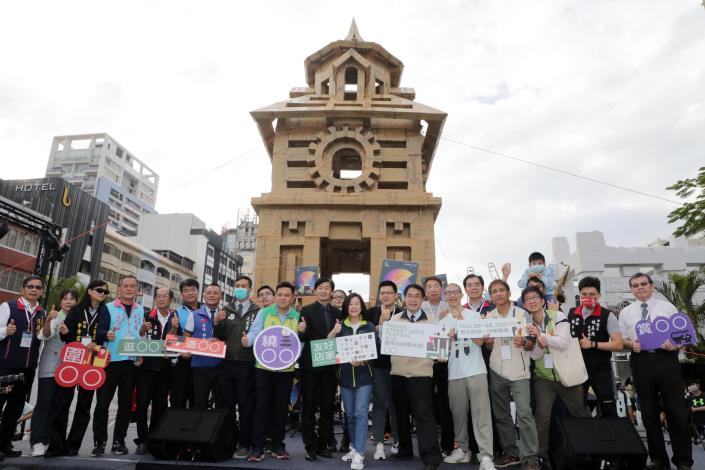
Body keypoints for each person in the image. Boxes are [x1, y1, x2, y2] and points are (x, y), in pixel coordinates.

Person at [620, 272, 693, 470]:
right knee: (649, 413)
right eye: (635, 285)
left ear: (652, 286)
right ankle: (659, 460)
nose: (640, 287)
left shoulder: (667, 307)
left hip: (666, 359)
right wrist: (630, 345)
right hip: (640, 361)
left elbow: (682, 335)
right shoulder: (626, 313)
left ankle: (683, 460)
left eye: (644, 284)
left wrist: (675, 345)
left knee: (676, 412)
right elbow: (623, 340)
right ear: (631, 289)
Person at [524, 286, 591, 467]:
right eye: (528, 299)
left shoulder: (558, 317)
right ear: (524, 304)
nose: (532, 301)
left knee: (579, 413)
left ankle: (591, 450)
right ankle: (542, 456)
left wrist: (541, 335)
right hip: (543, 377)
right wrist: (538, 340)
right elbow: (535, 355)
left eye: (535, 297)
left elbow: (562, 343)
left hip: (566, 373)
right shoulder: (527, 324)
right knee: (542, 417)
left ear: (542, 301)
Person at [46, 280, 110, 458]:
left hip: (91, 362)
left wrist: (97, 341)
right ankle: (56, 446)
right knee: (61, 404)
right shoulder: (76, 309)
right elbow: (67, 335)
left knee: (84, 406)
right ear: (89, 291)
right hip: (73, 360)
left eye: (106, 291)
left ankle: (73, 445)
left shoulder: (105, 311)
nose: (102, 293)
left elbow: (103, 331)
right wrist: (65, 331)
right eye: (99, 290)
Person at [244, 281, 304, 462]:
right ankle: (258, 446)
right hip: (263, 368)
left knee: (280, 408)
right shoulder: (265, 313)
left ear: (292, 298)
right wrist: (248, 340)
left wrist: (301, 333)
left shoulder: (296, 316)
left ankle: (278, 444)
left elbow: (298, 345)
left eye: (287, 295)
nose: (283, 298)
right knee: (262, 408)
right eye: (280, 294)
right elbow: (255, 333)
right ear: (275, 296)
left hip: (286, 370)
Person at [484, 280, 540, 470]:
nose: (498, 294)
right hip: (497, 370)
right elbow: (490, 345)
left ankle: (531, 455)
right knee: (502, 415)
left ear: (508, 292)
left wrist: (523, 343)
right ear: (490, 295)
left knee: (524, 413)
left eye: (501, 290)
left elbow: (531, 344)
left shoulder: (522, 314)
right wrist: (488, 342)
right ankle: (510, 453)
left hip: (519, 371)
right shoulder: (489, 316)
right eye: (494, 291)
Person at [388, 283, 443, 470]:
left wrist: (442, 350)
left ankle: (431, 457)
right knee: (400, 414)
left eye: (416, 296)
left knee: (424, 415)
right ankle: (404, 449)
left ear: (422, 299)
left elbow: (439, 353)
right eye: (409, 296)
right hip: (398, 374)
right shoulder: (393, 321)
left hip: (421, 375)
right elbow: (386, 346)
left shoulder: (433, 323)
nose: (412, 299)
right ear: (404, 299)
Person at [441, 283, 495, 470]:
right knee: (458, 414)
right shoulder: (443, 321)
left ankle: (486, 455)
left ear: (461, 295)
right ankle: (462, 450)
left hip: (477, 370)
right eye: (449, 293)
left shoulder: (473, 316)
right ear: (445, 296)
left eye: (456, 292)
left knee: (482, 414)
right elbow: (439, 354)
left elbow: (480, 341)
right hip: (454, 373)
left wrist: (461, 319)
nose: (453, 296)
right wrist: (446, 342)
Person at [92, 275, 144, 457]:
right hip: (109, 361)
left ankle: (118, 442)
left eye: (133, 286)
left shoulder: (139, 309)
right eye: (126, 286)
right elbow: (98, 331)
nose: (129, 289)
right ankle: (99, 442)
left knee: (125, 404)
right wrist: (106, 334)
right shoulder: (107, 307)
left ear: (137, 289)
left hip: (130, 362)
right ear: (119, 289)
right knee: (102, 404)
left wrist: (139, 353)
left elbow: (138, 334)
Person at [0, 275, 47, 458]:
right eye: (30, 286)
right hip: (6, 366)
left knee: (15, 408)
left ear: (42, 291)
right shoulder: (9, 307)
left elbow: (42, 339)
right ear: (23, 289)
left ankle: (5, 444)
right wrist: (5, 331)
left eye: (37, 287)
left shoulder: (42, 313)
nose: (34, 289)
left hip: (27, 369)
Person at [213, 275, 260, 459]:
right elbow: (220, 335)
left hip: (247, 364)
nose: (240, 288)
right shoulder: (226, 309)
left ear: (250, 289)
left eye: (243, 286)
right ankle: (229, 440)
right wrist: (217, 322)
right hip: (227, 364)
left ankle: (245, 442)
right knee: (227, 405)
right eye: (237, 285)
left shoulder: (258, 311)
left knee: (246, 405)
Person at [30, 288, 78, 457]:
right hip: (50, 366)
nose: (68, 301)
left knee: (61, 407)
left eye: (72, 299)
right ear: (60, 301)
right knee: (44, 404)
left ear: (76, 302)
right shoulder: (54, 315)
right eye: (65, 298)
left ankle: (54, 441)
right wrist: (49, 319)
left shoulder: (79, 318)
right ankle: (37, 442)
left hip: (69, 369)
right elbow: (43, 336)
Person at [298, 278, 342, 460]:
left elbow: (341, 338)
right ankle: (310, 445)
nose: (324, 291)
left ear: (331, 292)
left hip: (330, 367)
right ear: (315, 291)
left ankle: (324, 444)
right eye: (320, 288)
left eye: (327, 288)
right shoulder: (306, 310)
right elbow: (306, 336)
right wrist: (301, 330)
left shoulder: (338, 312)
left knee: (327, 407)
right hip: (310, 366)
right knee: (308, 406)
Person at [134, 287, 181, 454]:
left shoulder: (176, 317)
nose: (161, 298)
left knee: (160, 405)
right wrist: (141, 331)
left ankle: (153, 438)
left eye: (164, 296)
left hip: (165, 369)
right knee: (141, 404)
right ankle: (142, 439)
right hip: (146, 368)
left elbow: (178, 342)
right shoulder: (146, 316)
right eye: (158, 296)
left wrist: (174, 328)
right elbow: (136, 338)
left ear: (170, 299)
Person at [567, 276, 623, 417]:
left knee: (608, 407)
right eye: (584, 294)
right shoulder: (571, 314)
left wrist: (593, 344)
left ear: (599, 295)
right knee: (576, 409)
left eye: (592, 294)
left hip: (601, 370)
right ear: (579, 295)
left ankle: (613, 438)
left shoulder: (607, 315)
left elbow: (618, 344)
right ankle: (583, 438)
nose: (588, 298)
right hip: (577, 370)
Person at [336, 293, 375, 470]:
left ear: (361, 307)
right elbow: (329, 350)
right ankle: (353, 446)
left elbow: (375, 352)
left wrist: (363, 360)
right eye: (350, 304)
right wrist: (333, 332)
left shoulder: (369, 326)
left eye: (357, 303)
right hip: (345, 377)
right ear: (346, 306)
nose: (353, 306)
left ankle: (359, 452)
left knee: (360, 413)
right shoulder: (339, 326)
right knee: (349, 415)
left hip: (364, 377)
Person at [366, 280, 402, 460]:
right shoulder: (371, 313)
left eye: (389, 292)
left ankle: (397, 441)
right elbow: (365, 340)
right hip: (378, 367)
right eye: (382, 293)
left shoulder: (403, 314)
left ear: (396, 295)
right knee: (380, 404)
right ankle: (379, 443)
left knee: (398, 405)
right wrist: (379, 324)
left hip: (399, 366)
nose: (386, 295)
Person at [422, 276, 454, 457]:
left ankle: (447, 444)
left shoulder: (449, 306)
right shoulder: (419, 308)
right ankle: (429, 446)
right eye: (429, 286)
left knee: (445, 403)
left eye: (436, 286)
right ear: (425, 291)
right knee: (425, 405)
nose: (433, 289)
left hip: (445, 360)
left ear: (441, 289)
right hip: (425, 361)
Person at [184, 283, 223, 410]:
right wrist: (186, 351)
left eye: (215, 293)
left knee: (222, 404)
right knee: (199, 403)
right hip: (200, 366)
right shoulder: (194, 315)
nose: (212, 295)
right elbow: (186, 338)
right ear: (204, 295)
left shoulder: (225, 315)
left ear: (221, 296)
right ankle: (198, 430)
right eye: (209, 293)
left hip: (221, 366)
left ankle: (220, 430)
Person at [170, 278, 201, 409]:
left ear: (198, 291)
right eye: (186, 291)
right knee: (178, 399)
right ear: (181, 294)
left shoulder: (206, 310)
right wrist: (174, 328)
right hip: (182, 362)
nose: (190, 293)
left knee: (198, 400)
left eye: (193, 289)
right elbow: (171, 340)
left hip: (201, 361)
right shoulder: (177, 313)